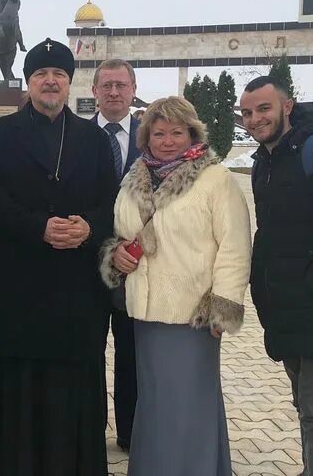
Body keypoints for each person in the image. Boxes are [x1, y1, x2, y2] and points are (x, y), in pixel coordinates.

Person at [0, 38, 117, 476]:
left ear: (70, 83)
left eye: (58, 74)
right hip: (20, 285)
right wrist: (39, 226)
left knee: (75, 384)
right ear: (28, 83)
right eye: (40, 74)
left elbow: (112, 202)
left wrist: (89, 228)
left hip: (78, 289)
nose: (50, 81)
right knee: (18, 387)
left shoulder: (93, 139)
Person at [100, 96, 251, 476]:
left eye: (176, 132)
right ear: (146, 137)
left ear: (192, 133)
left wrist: (223, 306)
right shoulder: (135, 177)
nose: (167, 141)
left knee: (189, 403)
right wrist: (116, 254)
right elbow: (121, 232)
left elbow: (234, 246)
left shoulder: (215, 179)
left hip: (192, 316)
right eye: (159, 133)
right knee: (154, 403)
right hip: (146, 313)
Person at [240, 76, 313, 476]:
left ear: (287, 106)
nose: (255, 119)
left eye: (264, 108)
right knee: (303, 404)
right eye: (248, 112)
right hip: (285, 307)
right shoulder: (262, 163)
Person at [91, 58, 140, 452]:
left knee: (131, 355)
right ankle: (87, 430)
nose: (113, 93)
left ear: (133, 90)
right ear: (94, 91)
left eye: (120, 85)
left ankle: (130, 432)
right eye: (106, 85)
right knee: (87, 352)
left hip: (137, 267)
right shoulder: (74, 137)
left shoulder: (151, 136)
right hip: (85, 266)